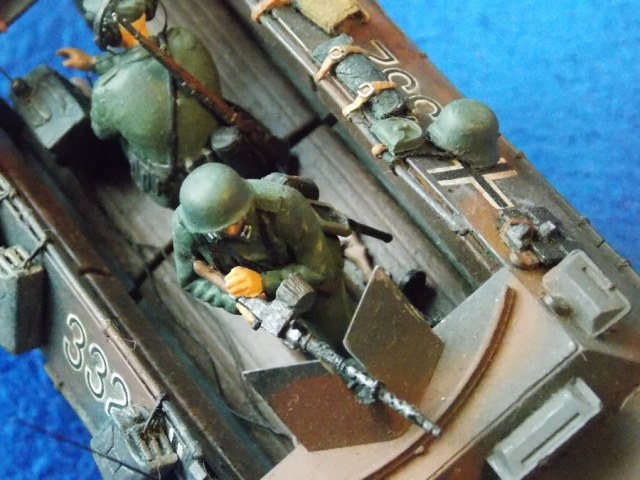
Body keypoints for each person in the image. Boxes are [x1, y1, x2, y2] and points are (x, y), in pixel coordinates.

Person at [59, 0, 289, 208]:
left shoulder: (105, 92)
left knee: (123, 138)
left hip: (178, 186)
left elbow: (101, 131)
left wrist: (95, 66)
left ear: (106, 35)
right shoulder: (184, 40)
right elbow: (147, 57)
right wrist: (95, 63)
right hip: (234, 153)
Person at [173, 163, 353, 348]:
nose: (230, 232)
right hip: (264, 300)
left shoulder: (283, 203)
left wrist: (263, 282)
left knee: (342, 339)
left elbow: (320, 271)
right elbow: (191, 280)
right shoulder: (190, 226)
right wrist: (237, 302)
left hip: (314, 283)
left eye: (234, 223)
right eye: (220, 230)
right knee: (297, 340)